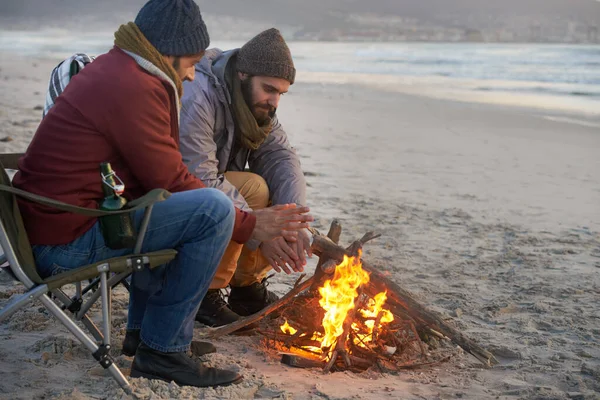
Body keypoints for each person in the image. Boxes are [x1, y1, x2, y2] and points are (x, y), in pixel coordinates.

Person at [12, 0, 311, 388]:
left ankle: (143, 334)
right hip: (62, 243)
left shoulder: (121, 70)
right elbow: (170, 177)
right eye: (189, 64)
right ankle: (163, 350)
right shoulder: (134, 85)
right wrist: (249, 226)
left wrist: (273, 220)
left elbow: (158, 182)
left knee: (170, 206)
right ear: (166, 53)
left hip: (62, 225)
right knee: (212, 210)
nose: (190, 77)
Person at [179, 28, 311, 327]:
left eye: (281, 93)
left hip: (204, 188)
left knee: (273, 193)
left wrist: (294, 224)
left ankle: (246, 290)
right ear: (242, 75)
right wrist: (256, 231)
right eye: (269, 89)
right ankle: (205, 294)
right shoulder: (199, 95)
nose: (275, 101)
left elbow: (281, 157)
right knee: (253, 188)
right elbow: (197, 175)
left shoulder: (256, 104)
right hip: (171, 194)